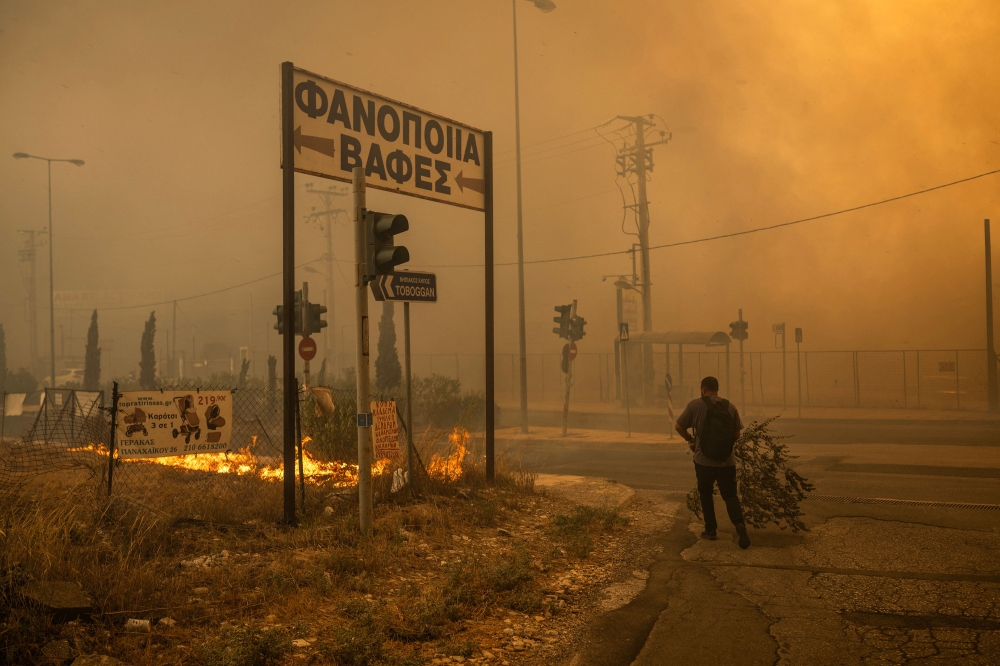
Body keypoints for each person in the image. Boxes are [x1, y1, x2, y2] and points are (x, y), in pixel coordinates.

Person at [675, 376, 751, 549]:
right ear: (717, 389)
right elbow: (737, 434)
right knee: (730, 495)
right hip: (727, 462)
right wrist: (724, 447)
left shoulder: (695, 405)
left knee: (706, 494)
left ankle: (711, 530)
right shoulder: (729, 406)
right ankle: (739, 525)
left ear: (703, 389)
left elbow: (679, 426)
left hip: (704, 461)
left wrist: (690, 439)